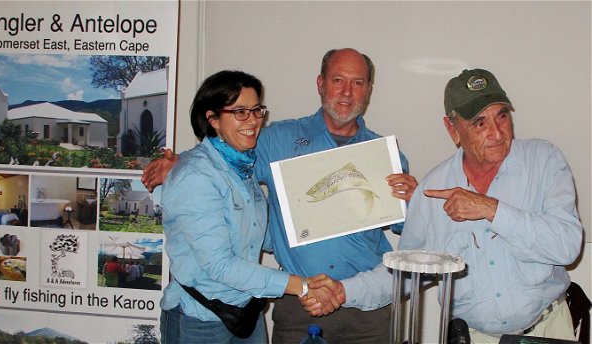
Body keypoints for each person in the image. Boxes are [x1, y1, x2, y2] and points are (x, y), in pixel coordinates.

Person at [143, 48, 418, 344]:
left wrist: (416, 204)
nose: (347, 92)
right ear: (320, 83)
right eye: (338, 80)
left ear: (368, 90)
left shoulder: (385, 154)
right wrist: (180, 162)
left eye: (358, 83)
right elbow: (223, 156)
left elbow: (408, 229)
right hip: (299, 306)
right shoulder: (275, 138)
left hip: (369, 308)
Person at [305, 68, 583, 342]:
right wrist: (344, 291)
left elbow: (567, 247)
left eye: (502, 116)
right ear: (453, 129)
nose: (497, 133)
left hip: (546, 330)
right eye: (480, 122)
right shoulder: (432, 190)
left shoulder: (544, 160)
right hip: (475, 337)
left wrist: (492, 209)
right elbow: (405, 273)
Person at [159, 70, 337, 344]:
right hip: (200, 319)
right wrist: (301, 285)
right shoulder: (195, 176)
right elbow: (221, 265)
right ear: (213, 119)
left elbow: (262, 236)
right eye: (240, 112)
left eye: (256, 110)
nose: (253, 121)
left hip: (246, 310)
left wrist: (320, 237)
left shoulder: (243, 167)